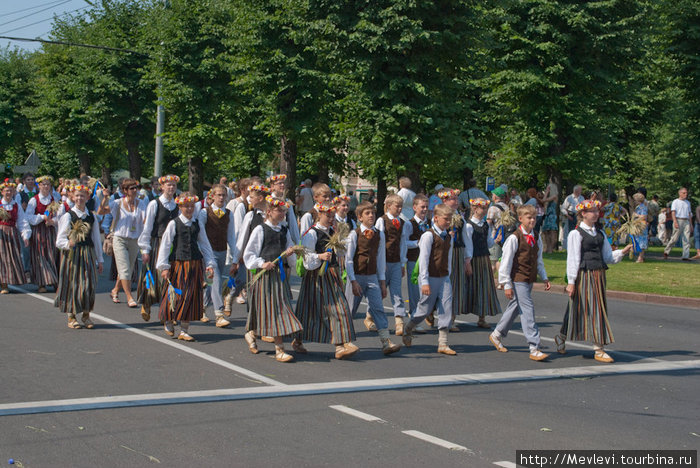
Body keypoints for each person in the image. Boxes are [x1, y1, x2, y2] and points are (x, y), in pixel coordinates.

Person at [555, 200, 632, 363]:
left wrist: (622, 252)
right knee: (586, 308)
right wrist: (571, 281)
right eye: (592, 211)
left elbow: (607, 257)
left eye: (597, 211)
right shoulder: (575, 234)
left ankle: (564, 337)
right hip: (584, 275)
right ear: (583, 214)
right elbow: (573, 259)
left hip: (598, 275)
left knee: (592, 307)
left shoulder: (600, 233)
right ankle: (598, 348)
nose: (596, 214)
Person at [293, 202, 358, 360]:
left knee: (339, 307)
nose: (330, 218)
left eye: (331, 215)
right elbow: (307, 258)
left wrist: (340, 243)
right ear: (319, 215)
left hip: (332, 274)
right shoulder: (311, 233)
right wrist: (320, 257)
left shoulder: (332, 231)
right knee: (309, 309)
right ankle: (298, 339)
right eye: (327, 215)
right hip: (316, 276)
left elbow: (342, 253)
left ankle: (340, 345)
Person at [242, 196, 302, 362]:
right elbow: (249, 254)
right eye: (279, 210)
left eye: (284, 211)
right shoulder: (261, 230)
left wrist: (291, 255)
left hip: (279, 276)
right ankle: (279, 349)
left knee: (276, 310)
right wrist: (262, 263)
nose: (282, 213)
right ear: (268, 212)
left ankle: (252, 332)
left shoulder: (284, 230)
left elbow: (289, 252)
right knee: (273, 310)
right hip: (265, 277)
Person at [491, 204, 551, 361]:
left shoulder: (536, 236)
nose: (532, 220)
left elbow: (538, 260)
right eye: (529, 217)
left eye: (534, 217)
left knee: (515, 308)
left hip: (528, 278)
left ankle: (497, 334)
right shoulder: (514, 238)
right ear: (520, 219)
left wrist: (544, 277)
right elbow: (505, 262)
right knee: (527, 309)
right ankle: (534, 346)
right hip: (517, 279)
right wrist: (506, 284)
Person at [156, 192, 216, 342]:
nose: (189, 209)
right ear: (180, 206)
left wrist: (209, 263)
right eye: (186, 206)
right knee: (176, 294)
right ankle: (169, 320)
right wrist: (164, 266)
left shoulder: (197, 224)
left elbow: (205, 244)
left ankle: (184, 329)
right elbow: (165, 245)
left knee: (191, 295)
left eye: (191, 206)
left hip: (195, 263)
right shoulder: (174, 223)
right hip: (178, 264)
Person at [345, 201, 402, 356]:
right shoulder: (354, 234)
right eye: (367, 213)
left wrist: (382, 282)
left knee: (378, 308)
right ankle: (345, 341)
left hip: (372, 277)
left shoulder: (379, 234)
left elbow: (381, 258)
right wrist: (353, 281)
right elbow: (348, 259)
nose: (371, 216)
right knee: (350, 309)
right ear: (359, 217)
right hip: (357, 276)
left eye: (373, 213)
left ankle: (386, 341)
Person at [402, 203, 456, 355]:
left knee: (446, 307)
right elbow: (423, 259)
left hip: (443, 277)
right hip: (430, 277)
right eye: (446, 219)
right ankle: (409, 327)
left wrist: (448, 274)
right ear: (436, 218)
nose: (448, 222)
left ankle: (443, 343)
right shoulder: (428, 236)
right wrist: (424, 282)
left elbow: (449, 257)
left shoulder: (448, 237)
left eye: (450, 219)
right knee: (424, 309)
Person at [54, 184, 104, 329]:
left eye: (82, 196)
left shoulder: (91, 216)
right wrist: (68, 243)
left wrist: (100, 259)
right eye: (77, 195)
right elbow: (59, 240)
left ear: (87, 197)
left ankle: (86, 315)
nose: (79, 198)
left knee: (89, 284)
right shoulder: (68, 215)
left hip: (88, 252)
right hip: (73, 254)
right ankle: (71, 316)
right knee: (73, 284)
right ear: (72, 197)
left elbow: (96, 239)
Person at [137, 175, 180, 321]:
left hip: (172, 245)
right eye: (168, 185)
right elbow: (147, 228)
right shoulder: (154, 204)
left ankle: (167, 311)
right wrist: (145, 249)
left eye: (173, 185)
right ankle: (147, 303)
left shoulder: (177, 206)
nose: (171, 188)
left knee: (170, 277)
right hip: (157, 243)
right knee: (154, 277)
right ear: (162, 187)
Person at [102, 178, 147, 307]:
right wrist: (105, 198)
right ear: (125, 191)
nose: (135, 190)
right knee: (125, 269)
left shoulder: (141, 203)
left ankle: (115, 290)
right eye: (132, 188)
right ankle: (129, 297)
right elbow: (101, 211)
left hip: (134, 239)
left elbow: (145, 220)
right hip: (119, 238)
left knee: (129, 268)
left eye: (136, 188)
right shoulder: (117, 203)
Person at [369, 193, 409, 335]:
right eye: (397, 206)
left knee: (397, 293)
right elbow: (379, 243)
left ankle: (399, 321)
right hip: (384, 262)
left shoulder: (402, 223)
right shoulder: (382, 220)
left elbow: (403, 243)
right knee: (380, 291)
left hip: (396, 262)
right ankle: (370, 316)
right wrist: (380, 263)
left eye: (401, 207)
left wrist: (403, 262)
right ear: (389, 206)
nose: (399, 209)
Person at [199, 184, 236, 328]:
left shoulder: (228, 213)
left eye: (223, 195)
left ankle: (202, 307)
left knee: (211, 283)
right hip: (209, 253)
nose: (221, 198)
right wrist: (204, 251)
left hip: (222, 251)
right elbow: (201, 234)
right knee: (217, 280)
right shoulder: (204, 212)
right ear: (212, 196)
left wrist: (234, 254)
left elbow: (231, 236)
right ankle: (219, 313)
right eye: (218, 195)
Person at [464, 198, 502, 325]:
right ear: (475, 209)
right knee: (470, 286)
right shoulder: (469, 225)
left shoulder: (485, 225)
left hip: (484, 258)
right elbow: (468, 245)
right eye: (483, 208)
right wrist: (467, 261)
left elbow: (489, 243)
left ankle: (482, 317)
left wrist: (496, 240)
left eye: (486, 208)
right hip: (474, 259)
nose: (485, 210)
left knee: (484, 286)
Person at [438, 188, 470, 330]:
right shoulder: (438, 216)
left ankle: (451, 318)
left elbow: (466, 238)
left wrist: (467, 258)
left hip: (457, 252)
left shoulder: (460, 218)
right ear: (445, 200)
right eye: (453, 199)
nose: (456, 201)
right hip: (443, 252)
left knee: (455, 285)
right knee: (441, 283)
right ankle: (433, 312)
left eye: (457, 199)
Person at [24, 176, 61, 292]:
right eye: (43, 184)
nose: (46, 186)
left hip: (50, 230)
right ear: (39, 186)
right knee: (40, 256)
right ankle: (41, 283)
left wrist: (53, 221)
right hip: (39, 231)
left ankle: (55, 280)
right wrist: (41, 217)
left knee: (52, 254)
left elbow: (60, 215)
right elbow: (28, 217)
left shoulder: (55, 198)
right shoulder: (34, 200)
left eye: (48, 185)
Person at [0, 179, 31, 293]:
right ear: (2, 192)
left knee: (11, 258)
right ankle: (3, 284)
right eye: (6, 191)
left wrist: (25, 236)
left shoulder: (16, 205)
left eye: (10, 191)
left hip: (12, 234)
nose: (8, 193)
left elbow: (22, 222)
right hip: (0, 234)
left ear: (13, 192)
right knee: (2, 258)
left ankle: (7, 281)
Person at [405, 194, 430, 320]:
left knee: (426, 289)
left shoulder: (429, 223)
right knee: (415, 290)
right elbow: (404, 243)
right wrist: (417, 243)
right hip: (414, 260)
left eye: (426, 207)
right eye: (422, 207)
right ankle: (414, 314)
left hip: (427, 261)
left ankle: (426, 312)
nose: (425, 209)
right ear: (415, 207)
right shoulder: (409, 224)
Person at [486, 186, 510, 291]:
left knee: (494, 261)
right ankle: (502, 281)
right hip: (505, 236)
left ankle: (493, 281)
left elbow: (488, 223)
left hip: (495, 236)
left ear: (495, 196)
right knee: (501, 258)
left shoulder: (493, 208)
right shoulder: (507, 207)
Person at [268, 174, 301, 245]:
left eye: (284, 183)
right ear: (273, 186)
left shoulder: (287, 202)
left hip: (284, 233)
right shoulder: (269, 200)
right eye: (280, 183)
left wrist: (297, 241)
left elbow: (292, 222)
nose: (282, 185)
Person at [663, 187, 694, 261]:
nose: (685, 194)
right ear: (679, 193)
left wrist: (691, 224)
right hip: (678, 219)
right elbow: (673, 212)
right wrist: (675, 221)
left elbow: (689, 214)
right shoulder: (675, 202)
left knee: (686, 239)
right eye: (684, 193)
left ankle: (685, 256)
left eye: (686, 193)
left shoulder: (688, 203)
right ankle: (666, 251)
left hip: (686, 220)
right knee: (674, 238)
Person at [561, 185, 584, 250]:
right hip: (570, 215)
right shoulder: (569, 198)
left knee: (578, 231)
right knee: (569, 231)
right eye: (580, 190)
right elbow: (563, 208)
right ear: (576, 191)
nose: (581, 191)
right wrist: (567, 215)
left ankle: (576, 247)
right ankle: (567, 248)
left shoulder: (582, 198)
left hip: (578, 216)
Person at [541, 179, 559, 253]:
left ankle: (551, 248)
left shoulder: (554, 196)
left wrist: (547, 192)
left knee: (552, 232)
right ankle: (547, 247)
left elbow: (543, 200)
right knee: (546, 232)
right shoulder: (550, 198)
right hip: (548, 215)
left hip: (552, 215)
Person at [630, 193, 649, 263]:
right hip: (638, 225)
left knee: (642, 241)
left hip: (641, 226)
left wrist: (636, 215)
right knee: (637, 240)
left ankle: (641, 257)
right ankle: (639, 256)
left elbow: (644, 216)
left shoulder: (642, 207)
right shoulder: (638, 207)